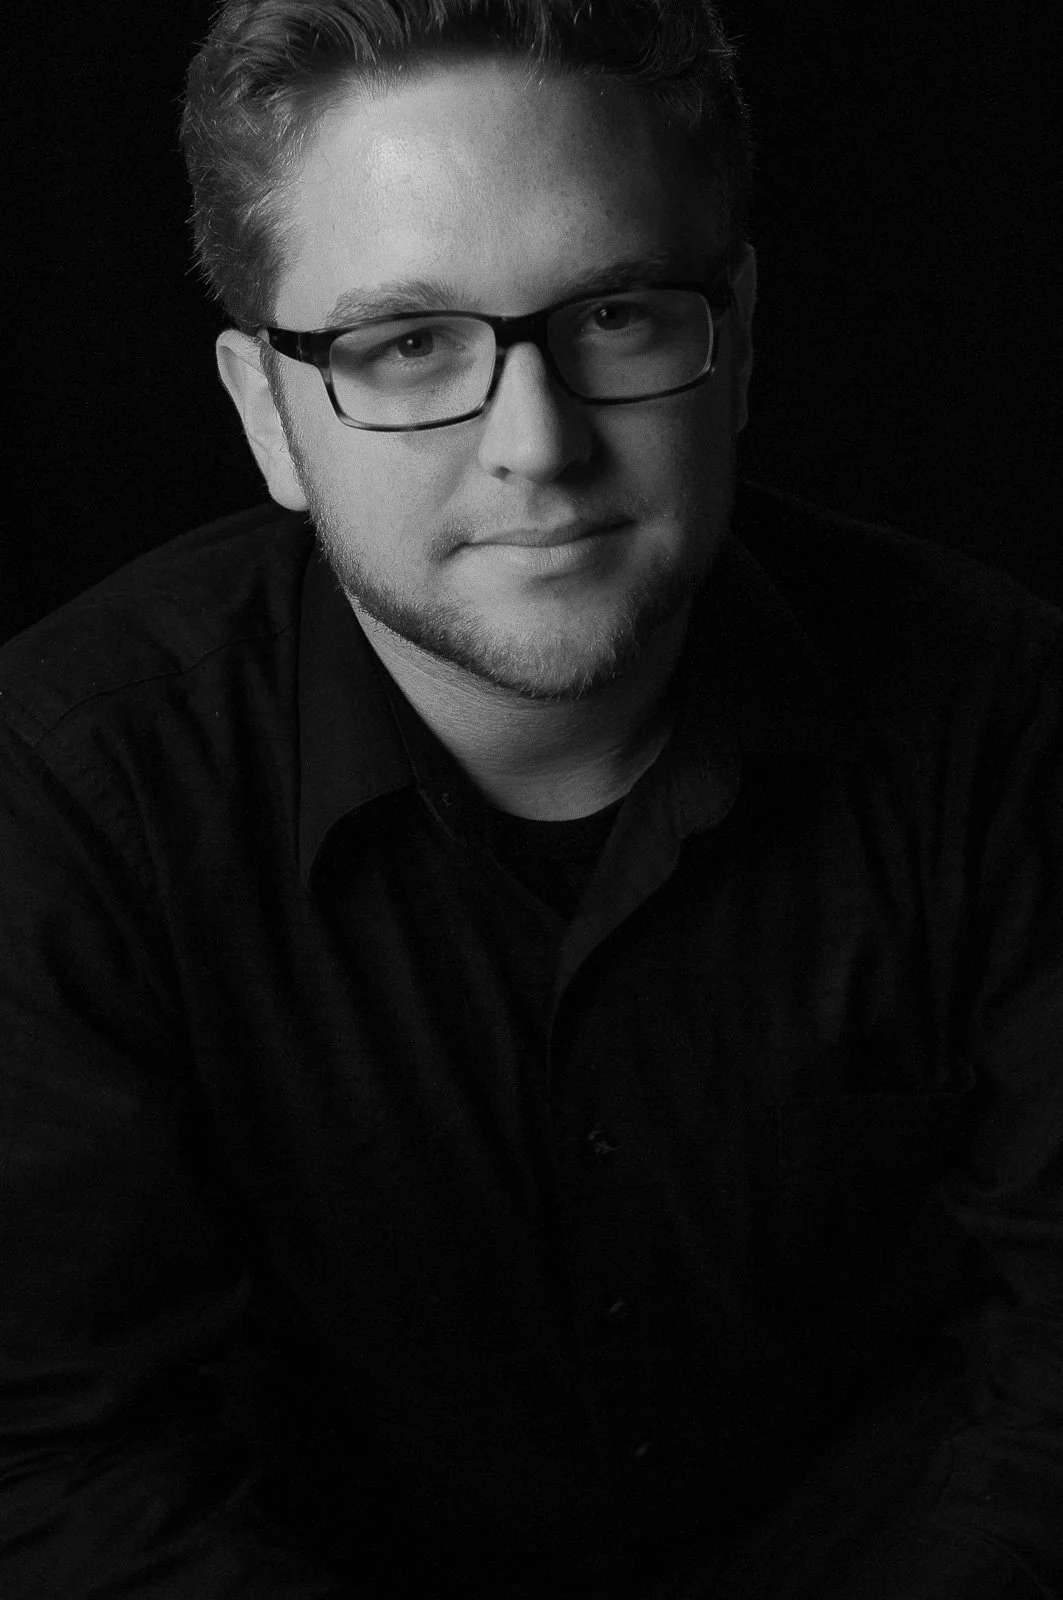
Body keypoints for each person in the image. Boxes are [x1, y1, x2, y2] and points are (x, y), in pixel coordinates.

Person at [1, 1, 1060, 1596]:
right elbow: (62, 1455)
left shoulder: (1004, 714)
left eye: (616, 315)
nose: (536, 445)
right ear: (266, 411)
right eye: (405, 343)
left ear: (740, 330)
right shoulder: (65, 790)